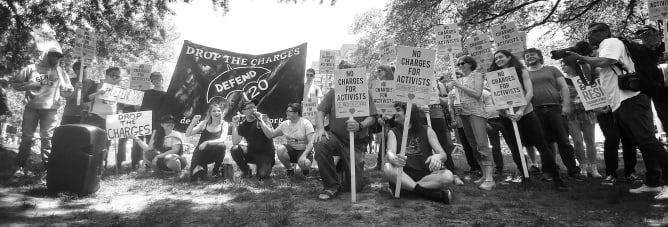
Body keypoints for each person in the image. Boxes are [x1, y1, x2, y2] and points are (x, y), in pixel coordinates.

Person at [566, 22, 668, 199]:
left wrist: (580, 58)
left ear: (606, 31)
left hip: (631, 100)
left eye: (594, 32)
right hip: (620, 103)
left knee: (647, 140)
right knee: (643, 141)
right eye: (588, 34)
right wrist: (580, 60)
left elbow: (607, 61)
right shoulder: (602, 48)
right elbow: (591, 78)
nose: (590, 36)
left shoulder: (611, 42)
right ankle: (653, 183)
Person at [489, 50, 567, 191]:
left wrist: (520, 111)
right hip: (507, 117)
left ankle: (556, 178)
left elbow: (529, 92)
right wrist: (506, 113)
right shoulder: (493, 77)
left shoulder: (521, 71)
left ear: (509, 57)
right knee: (516, 148)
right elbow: (496, 99)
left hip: (527, 114)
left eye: (501, 57)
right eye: (496, 59)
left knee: (542, 145)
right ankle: (525, 177)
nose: (498, 60)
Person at [313, 64, 378, 200]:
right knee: (320, 142)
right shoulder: (332, 93)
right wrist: (320, 129)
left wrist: (360, 125)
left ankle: (347, 169)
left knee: (355, 188)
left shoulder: (365, 93)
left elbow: (372, 117)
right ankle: (331, 185)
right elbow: (320, 112)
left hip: (357, 142)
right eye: (342, 74)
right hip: (336, 138)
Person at [524, 48, 586, 181]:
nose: (530, 57)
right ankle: (549, 170)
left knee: (563, 140)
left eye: (533, 54)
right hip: (535, 111)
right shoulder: (524, 74)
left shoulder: (551, 69)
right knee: (544, 143)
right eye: (527, 56)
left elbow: (563, 87)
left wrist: (566, 105)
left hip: (555, 108)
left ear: (540, 57)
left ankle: (573, 170)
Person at [12, 47, 73, 176]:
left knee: (48, 139)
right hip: (31, 108)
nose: (55, 58)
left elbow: (66, 93)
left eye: (58, 56)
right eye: (53, 55)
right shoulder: (31, 68)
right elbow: (15, 85)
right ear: (46, 55)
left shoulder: (61, 72)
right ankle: (20, 167)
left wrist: (69, 90)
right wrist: (32, 84)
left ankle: (47, 170)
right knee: (27, 138)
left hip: (51, 110)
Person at [383, 102, 453, 204]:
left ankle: (406, 189)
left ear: (409, 113)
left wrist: (438, 157)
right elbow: (390, 153)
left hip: (425, 175)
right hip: (403, 173)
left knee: (448, 176)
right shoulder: (392, 132)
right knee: (388, 167)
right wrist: (394, 159)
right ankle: (429, 194)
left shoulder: (427, 130)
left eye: (398, 110)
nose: (395, 112)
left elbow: (443, 154)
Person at [450, 56, 494, 190]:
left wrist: (459, 86)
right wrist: (457, 106)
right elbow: (459, 98)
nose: (460, 65)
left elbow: (477, 94)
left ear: (470, 64)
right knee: (473, 145)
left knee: (482, 144)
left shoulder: (477, 75)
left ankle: (490, 179)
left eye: (462, 63)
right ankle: (484, 174)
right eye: (458, 64)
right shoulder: (458, 80)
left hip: (476, 113)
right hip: (463, 114)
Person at [560, 64, 602, 179]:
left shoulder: (587, 78)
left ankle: (594, 169)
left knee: (590, 140)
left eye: (565, 64)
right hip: (571, 114)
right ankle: (582, 167)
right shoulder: (562, 81)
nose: (562, 66)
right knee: (577, 141)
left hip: (588, 113)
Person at [122, 72, 167, 170]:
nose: (157, 81)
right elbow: (131, 104)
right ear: (151, 81)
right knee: (137, 142)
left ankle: (149, 164)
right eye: (154, 80)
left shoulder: (166, 95)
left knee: (152, 144)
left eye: (159, 79)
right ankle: (135, 163)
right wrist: (136, 107)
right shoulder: (146, 92)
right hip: (142, 120)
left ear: (162, 80)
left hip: (156, 122)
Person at [83, 67, 123, 168]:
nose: (115, 77)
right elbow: (85, 99)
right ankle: (88, 165)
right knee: (92, 141)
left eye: (117, 76)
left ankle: (101, 166)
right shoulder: (97, 85)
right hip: (95, 117)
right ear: (107, 75)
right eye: (113, 75)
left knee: (106, 144)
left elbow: (121, 105)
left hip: (110, 119)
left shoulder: (120, 89)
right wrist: (98, 93)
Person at [230, 99, 276, 180]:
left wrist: (260, 120)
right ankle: (246, 171)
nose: (253, 109)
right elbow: (235, 142)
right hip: (252, 153)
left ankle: (266, 166)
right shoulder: (243, 124)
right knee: (234, 149)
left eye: (254, 107)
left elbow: (270, 135)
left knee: (262, 177)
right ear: (243, 111)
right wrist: (234, 124)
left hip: (266, 155)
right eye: (250, 108)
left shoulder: (264, 117)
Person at [186, 101, 229, 180]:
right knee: (195, 179)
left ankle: (215, 172)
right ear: (210, 113)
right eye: (214, 111)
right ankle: (202, 169)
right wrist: (193, 122)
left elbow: (222, 139)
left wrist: (207, 142)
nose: (216, 113)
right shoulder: (204, 123)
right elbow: (188, 134)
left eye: (218, 111)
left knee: (222, 146)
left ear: (221, 113)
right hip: (200, 154)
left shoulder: (224, 124)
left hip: (213, 153)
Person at [272, 103, 315, 176]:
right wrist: (263, 122)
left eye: (289, 111)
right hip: (292, 151)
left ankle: (305, 169)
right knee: (280, 149)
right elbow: (271, 134)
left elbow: (311, 143)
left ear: (296, 113)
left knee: (304, 165)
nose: (286, 113)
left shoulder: (306, 123)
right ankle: (290, 169)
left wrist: (304, 155)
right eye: (286, 111)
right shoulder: (285, 124)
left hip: (304, 151)